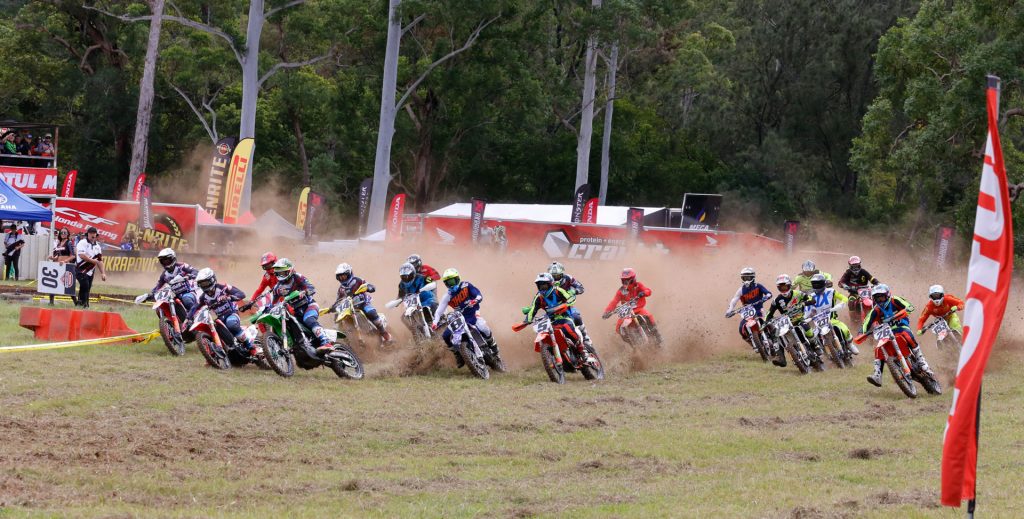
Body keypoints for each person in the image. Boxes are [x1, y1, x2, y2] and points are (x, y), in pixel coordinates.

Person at [862, 284, 931, 386]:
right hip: (886, 333)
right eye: (877, 298)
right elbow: (866, 323)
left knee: (908, 336)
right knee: (878, 348)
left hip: (901, 326)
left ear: (887, 295)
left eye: (881, 297)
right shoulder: (875, 310)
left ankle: (922, 362)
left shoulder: (895, 300)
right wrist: (862, 333)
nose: (880, 300)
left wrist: (902, 312)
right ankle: (877, 375)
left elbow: (910, 306)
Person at [431, 268, 498, 367]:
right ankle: (458, 354)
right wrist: (435, 322)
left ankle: (493, 345)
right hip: (460, 317)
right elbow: (439, 311)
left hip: (473, 312)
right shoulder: (447, 296)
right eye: (448, 283)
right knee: (446, 335)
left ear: (458, 279)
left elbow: (478, 294)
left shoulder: (466, 285)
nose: (451, 285)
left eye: (452, 281)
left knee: (482, 326)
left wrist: (476, 300)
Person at [524, 272, 594, 362]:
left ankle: (582, 351)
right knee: (546, 333)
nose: (542, 288)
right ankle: (554, 355)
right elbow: (533, 309)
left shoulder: (558, 290)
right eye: (540, 286)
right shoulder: (539, 297)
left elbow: (570, 298)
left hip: (565, 316)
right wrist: (527, 320)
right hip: (551, 320)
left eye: (544, 286)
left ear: (550, 284)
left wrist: (567, 303)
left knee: (567, 328)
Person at [271, 258, 332, 354]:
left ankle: (326, 341)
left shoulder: (297, 277)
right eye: (279, 273)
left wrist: (304, 291)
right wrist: (267, 309)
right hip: (295, 311)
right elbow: (273, 303)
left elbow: (311, 288)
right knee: (289, 323)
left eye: (283, 273)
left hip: (309, 305)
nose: (281, 275)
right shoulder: (277, 287)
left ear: (290, 271)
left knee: (308, 320)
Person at [189, 268, 255, 357]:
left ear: (212, 280)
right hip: (220, 318)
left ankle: (251, 347)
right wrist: (187, 319)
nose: (204, 286)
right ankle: (211, 356)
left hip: (232, 313)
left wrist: (229, 297)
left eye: (205, 283)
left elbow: (241, 294)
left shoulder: (223, 287)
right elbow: (194, 307)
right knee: (212, 330)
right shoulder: (203, 297)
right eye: (202, 284)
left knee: (230, 323)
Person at [334, 262, 393, 343]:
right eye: (340, 277)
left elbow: (368, 285)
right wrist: (333, 307)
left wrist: (369, 287)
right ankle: (346, 339)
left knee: (371, 312)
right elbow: (338, 300)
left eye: (343, 275)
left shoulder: (357, 280)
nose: (342, 278)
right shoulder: (341, 289)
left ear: (349, 273)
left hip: (363, 303)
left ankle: (384, 333)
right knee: (338, 316)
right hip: (350, 308)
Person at [603, 267, 663, 345]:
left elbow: (648, 291)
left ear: (633, 279)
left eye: (627, 280)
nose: (625, 282)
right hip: (627, 313)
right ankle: (632, 345)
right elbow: (614, 302)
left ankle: (658, 336)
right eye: (623, 280)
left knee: (649, 316)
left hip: (639, 310)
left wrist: (643, 293)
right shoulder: (621, 291)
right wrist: (607, 312)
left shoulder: (638, 285)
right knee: (618, 328)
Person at [764, 274, 814, 366]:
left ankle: (816, 346)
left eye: (785, 287)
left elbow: (811, 299)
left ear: (790, 285)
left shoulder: (798, 294)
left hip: (799, 318)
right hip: (786, 322)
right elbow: (769, 313)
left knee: (807, 329)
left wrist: (804, 303)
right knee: (776, 335)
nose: (783, 289)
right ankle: (781, 359)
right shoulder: (777, 300)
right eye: (781, 288)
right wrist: (765, 322)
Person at [802, 273, 857, 355]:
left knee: (844, 328)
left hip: (832, 319)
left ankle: (850, 344)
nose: (817, 286)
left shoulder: (831, 291)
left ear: (823, 283)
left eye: (818, 283)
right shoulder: (810, 296)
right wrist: (806, 317)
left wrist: (839, 305)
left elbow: (844, 298)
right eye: (814, 284)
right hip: (818, 322)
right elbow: (807, 309)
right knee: (812, 337)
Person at [548, 261, 595, 347]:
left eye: (558, 276)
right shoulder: (546, 283)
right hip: (553, 310)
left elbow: (580, 287)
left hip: (567, 306)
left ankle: (586, 339)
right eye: (553, 277)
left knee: (576, 317)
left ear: (562, 274)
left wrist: (574, 291)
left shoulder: (568, 278)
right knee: (548, 326)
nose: (556, 279)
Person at [142, 248, 199, 315]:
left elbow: (195, 271)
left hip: (189, 291)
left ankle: (194, 317)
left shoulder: (182, 266)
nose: (166, 262)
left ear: (173, 258)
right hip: (174, 296)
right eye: (163, 261)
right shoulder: (164, 275)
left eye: (167, 260)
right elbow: (157, 288)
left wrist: (187, 277)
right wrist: (147, 296)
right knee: (160, 307)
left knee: (186, 300)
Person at [724, 267, 773, 345]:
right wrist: (729, 310)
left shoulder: (758, 286)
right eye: (744, 277)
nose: (746, 279)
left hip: (759, 310)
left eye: (748, 277)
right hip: (747, 312)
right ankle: (751, 341)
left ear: (753, 277)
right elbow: (734, 300)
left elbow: (768, 293)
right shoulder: (741, 290)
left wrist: (766, 296)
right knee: (741, 328)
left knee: (769, 324)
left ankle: (775, 340)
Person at [74, 226, 106, 307]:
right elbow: (81, 255)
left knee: (86, 288)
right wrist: (93, 261)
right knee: (85, 286)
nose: (93, 235)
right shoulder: (82, 242)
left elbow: (100, 260)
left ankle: (80, 302)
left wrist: (103, 273)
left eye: (94, 233)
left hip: (90, 271)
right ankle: (86, 305)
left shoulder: (97, 246)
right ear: (87, 234)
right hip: (80, 269)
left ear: (96, 235)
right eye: (91, 233)